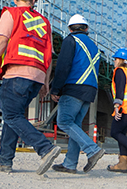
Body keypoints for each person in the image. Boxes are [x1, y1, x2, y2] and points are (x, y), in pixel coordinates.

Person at [0, 0, 60, 175]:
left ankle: (45, 148)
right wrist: (45, 81)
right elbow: (49, 55)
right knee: (14, 116)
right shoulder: (45, 23)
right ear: (34, 0)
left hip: (16, 73)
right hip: (36, 77)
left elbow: (1, 39)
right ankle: (4, 161)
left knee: (11, 115)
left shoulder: (11, 13)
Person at [50, 14, 105, 173]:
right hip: (89, 91)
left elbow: (63, 66)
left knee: (64, 122)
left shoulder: (70, 40)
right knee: (75, 125)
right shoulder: (94, 46)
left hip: (74, 87)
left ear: (69, 28)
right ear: (86, 28)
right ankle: (70, 164)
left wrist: (55, 89)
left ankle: (92, 149)